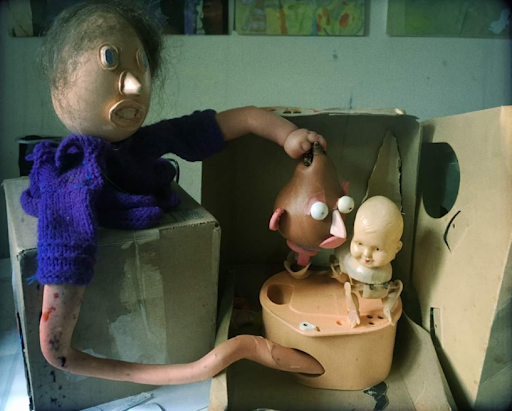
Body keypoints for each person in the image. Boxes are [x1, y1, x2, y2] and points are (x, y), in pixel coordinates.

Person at [21, 1, 325, 384]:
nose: (135, 85)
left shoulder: (147, 143)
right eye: (110, 60)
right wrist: (58, 343)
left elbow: (240, 118)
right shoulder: (69, 184)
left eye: (141, 65)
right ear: (60, 84)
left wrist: (287, 135)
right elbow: (65, 253)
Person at [330, 196, 404, 327]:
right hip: (344, 269)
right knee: (342, 279)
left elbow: (394, 289)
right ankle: (354, 310)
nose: (366, 255)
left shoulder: (385, 268)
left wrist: (388, 304)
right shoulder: (350, 259)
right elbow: (349, 289)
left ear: (396, 248)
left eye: (377, 249)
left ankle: (387, 308)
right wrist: (353, 310)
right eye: (359, 243)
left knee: (393, 289)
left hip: (378, 284)